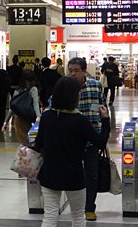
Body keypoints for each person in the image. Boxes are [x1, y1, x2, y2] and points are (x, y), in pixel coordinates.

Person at [35, 76, 111, 227]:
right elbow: (100, 142)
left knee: (49, 216)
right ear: (73, 96)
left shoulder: (47, 117)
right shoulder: (80, 121)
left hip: (49, 173)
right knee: (77, 216)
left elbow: (39, 144)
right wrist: (105, 120)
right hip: (73, 175)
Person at [62, 57, 104, 221]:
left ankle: (89, 208)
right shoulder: (64, 86)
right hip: (70, 139)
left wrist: (96, 114)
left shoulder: (95, 85)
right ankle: (75, 207)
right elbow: (54, 104)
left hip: (91, 138)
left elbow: (101, 106)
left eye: (76, 70)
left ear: (84, 71)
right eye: (70, 70)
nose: (72, 74)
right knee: (72, 173)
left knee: (92, 174)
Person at [3, 70, 41, 145]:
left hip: (18, 120)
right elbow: (35, 104)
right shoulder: (34, 89)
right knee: (31, 141)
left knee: (23, 142)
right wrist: (38, 116)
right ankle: (27, 155)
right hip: (29, 119)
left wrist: (5, 122)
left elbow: (12, 108)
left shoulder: (17, 90)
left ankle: (23, 155)